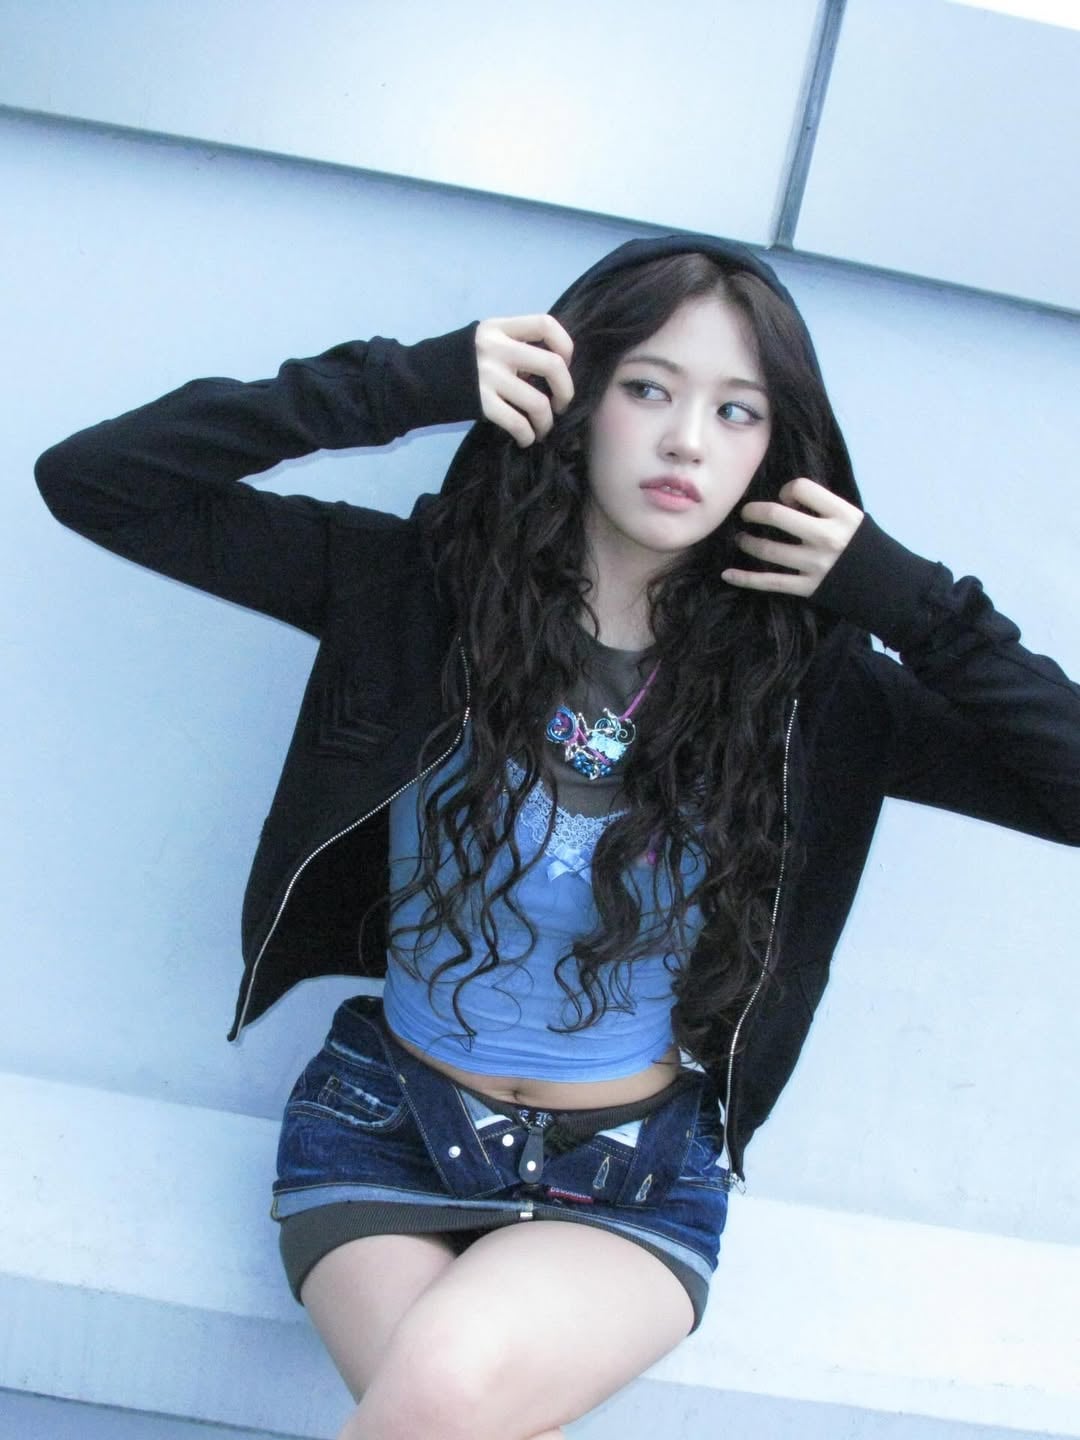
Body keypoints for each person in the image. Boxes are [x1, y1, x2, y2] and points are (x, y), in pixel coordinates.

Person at [35, 233, 1080, 1440]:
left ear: (775, 450)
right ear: (573, 397)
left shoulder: (812, 689)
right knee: (448, 1404)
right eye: (649, 389)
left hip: (630, 1172)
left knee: (440, 1397)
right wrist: (407, 383)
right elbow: (97, 480)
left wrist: (913, 602)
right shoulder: (417, 591)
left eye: (736, 411)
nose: (688, 441)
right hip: (388, 1127)